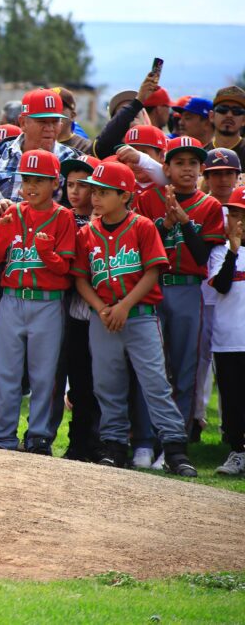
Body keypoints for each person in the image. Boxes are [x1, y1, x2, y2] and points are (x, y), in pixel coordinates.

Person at [72, 160, 197, 477]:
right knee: (106, 385)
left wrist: (124, 305)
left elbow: (153, 271)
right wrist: (101, 308)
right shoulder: (88, 233)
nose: (95, 198)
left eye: (103, 192)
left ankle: (174, 449)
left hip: (140, 316)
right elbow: (81, 279)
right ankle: (113, 447)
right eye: (94, 191)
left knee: (155, 384)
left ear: (124, 195)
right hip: (103, 319)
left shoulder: (141, 226)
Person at [134, 137, 224, 450]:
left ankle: (176, 441)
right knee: (151, 367)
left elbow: (202, 257)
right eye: (179, 163)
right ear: (166, 168)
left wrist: (184, 223)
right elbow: (139, 249)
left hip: (188, 289)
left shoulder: (210, 205)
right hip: (153, 287)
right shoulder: (148, 199)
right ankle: (146, 441)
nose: (187, 169)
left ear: (201, 169)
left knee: (186, 368)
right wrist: (163, 223)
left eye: (193, 163)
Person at [0, 150, 76, 454]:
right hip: (11, 300)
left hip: (48, 303)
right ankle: (3, 436)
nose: (32, 187)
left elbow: (65, 269)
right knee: (7, 374)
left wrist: (47, 254)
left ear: (55, 183)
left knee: (43, 376)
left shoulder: (63, 216)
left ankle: (38, 436)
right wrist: (3, 234)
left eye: (40, 180)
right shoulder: (13, 212)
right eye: (27, 180)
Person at [56, 154, 104, 461]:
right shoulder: (62, 218)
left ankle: (102, 441)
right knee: (80, 379)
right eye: (70, 184)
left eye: (82, 185)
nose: (74, 191)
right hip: (73, 310)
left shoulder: (106, 221)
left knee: (104, 381)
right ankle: (77, 441)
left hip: (102, 310)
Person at [0, 89, 78, 211]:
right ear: (23, 123)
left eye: (55, 122)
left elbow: (77, 209)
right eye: (42, 122)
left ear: (61, 124)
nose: (49, 128)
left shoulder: (71, 160)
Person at [208, 186, 245, 475]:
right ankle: (237, 451)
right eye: (233, 214)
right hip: (228, 341)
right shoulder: (220, 253)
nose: (238, 221)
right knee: (232, 400)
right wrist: (233, 252)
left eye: (243, 215)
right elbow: (221, 285)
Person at [207, 86, 245, 165]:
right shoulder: (201, 156)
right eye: (222, 109)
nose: (229, 115)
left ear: (244, 120)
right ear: (211, 116)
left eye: (236, 111)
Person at [53, 87, 92, 154]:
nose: (53, 112)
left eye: (59, 107)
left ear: (72, 115)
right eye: (49, 108)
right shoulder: (38, 142)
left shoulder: (84, 146)